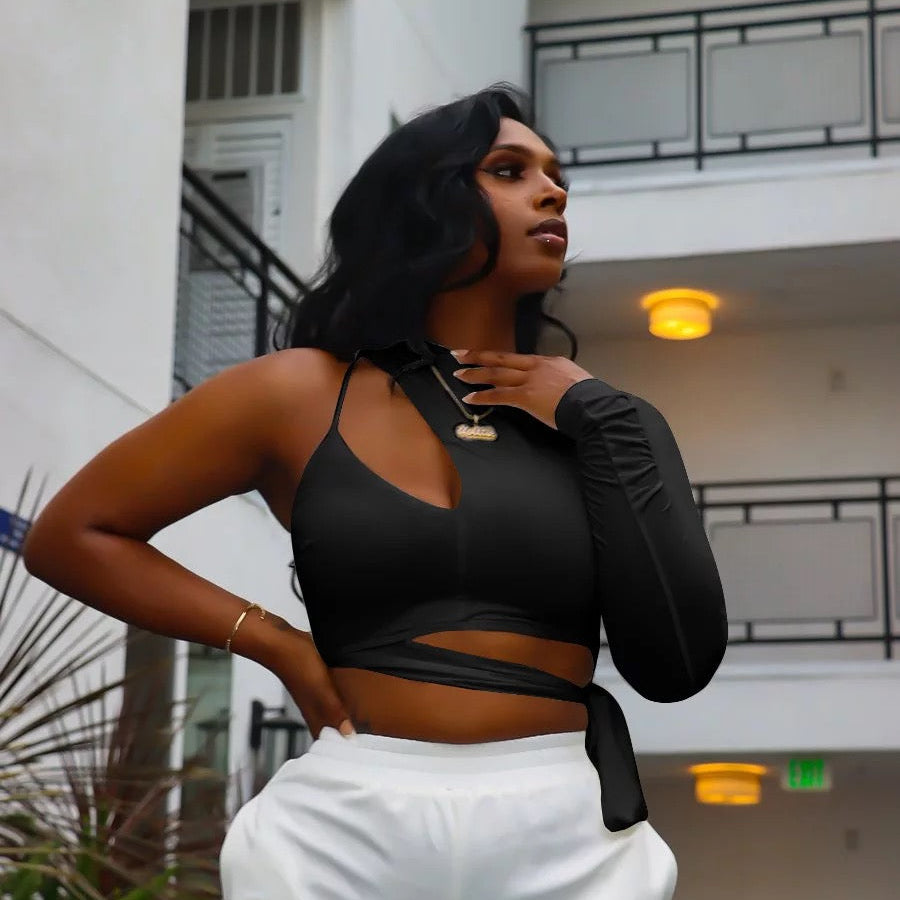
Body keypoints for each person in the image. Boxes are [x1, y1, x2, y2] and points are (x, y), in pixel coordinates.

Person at [23, 84, 727, 899]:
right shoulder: (297, 393)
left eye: (555, 173)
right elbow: (75, 534)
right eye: (508, 169)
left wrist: (602, 416)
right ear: (424, 205)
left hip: (567, 832)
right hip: (340, 827)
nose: (554, 189)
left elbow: (677, 662)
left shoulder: (596, 420)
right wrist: (273, 641)